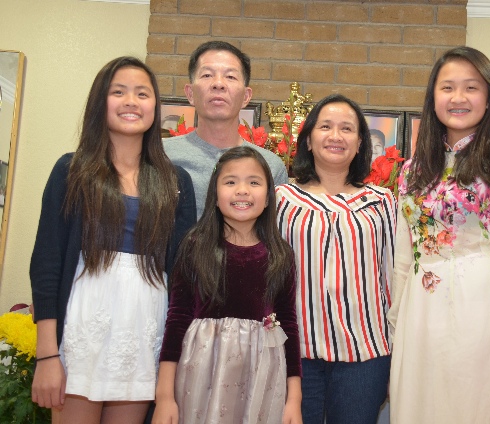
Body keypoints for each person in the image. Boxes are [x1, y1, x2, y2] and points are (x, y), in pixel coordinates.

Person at [30, 56, 197, 423]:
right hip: (81, 330)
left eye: (142, 93)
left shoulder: (176, 182)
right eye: (118, 92)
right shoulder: (71, 171)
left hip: (143, 331)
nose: (131, 102)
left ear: (155, 106)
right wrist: (48, 355)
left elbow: (183, 280)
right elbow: (46, 264)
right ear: (99, 101)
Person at [387, 46, 490, 423]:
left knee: (474, 404)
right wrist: (393, 329)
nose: (458, 97)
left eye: (471, 87)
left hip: (481, 306)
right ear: (433, 97)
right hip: (420, 309)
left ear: (489, 99)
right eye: (447, 87)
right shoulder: (412, 171)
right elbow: (402, 259)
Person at [152, 146, 302, 424]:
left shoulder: (280, 255)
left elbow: (289, 325)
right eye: (230, 182)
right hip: (202, 372)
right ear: (215, 195)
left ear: (268, 198)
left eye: (254, 182)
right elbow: (177, 318)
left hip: (262, 374)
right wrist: (164, 396)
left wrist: (294, 399)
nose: (242, 191)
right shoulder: (195, 246)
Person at [276, 94, 396, 424]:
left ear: (360, 144)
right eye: (325, 127)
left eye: (347, 128)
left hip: (366, 354)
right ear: (308, 140)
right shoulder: (282, 200)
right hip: (296, 354)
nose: (336, 135)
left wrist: (398, 347)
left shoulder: (382, 202)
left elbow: (393, 277)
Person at [164, 41, 288, 218]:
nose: (218, 84)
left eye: (230, 76)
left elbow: (274, 230)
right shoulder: (161, 155)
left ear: (246, 97)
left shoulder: (270, 166)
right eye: (207, 75)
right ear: (190, 93)